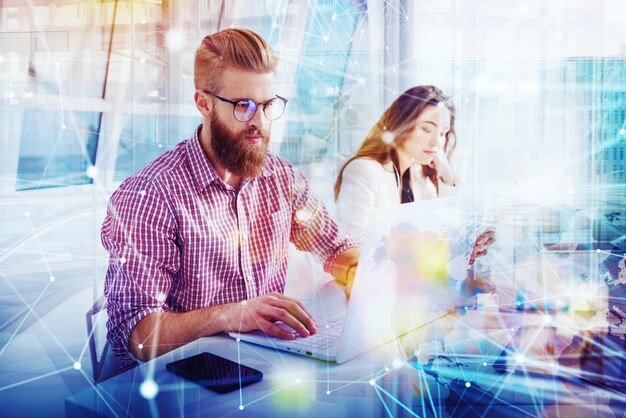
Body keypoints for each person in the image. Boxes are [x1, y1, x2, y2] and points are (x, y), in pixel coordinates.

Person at [101, 28, 359, 371]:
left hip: (260, 369)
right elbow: (136, 335)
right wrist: (230, 314)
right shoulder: (151, 196)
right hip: (179, 385)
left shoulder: (282, 178)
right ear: (203, 103)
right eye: (243, 106)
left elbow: (337, 248)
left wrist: (363, 275)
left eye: (268, 106)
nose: (260, 123)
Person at [334, 85, 494, 296]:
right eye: (427, 129)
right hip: (369, 293)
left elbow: (448, 229)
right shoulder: (365, 170)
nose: (437, 142)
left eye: (444, 133)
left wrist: (446, 175)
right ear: (401, 124)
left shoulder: (420, 179)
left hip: (409, 296)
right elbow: (355, 247)